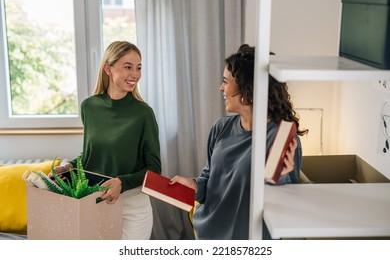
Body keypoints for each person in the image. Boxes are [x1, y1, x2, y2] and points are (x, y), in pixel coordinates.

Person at [170, 44, 308, 240]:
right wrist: (193, 185)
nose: (221, 87)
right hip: (209, 235)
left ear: (247, 89)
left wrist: (283, 179)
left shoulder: (281, 136)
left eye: (226, 82)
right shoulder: (221, 128)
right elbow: (210, 180)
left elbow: (285, 205)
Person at [52, 41, 161, 240]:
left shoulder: (143, 113)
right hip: (96, 200)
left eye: (138, 68)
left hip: (133, 205)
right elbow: (91, 153)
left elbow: (154, 168)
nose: (135, 74)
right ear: (108, 68)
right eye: (128, 67)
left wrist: (122, 182)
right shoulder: (89, 107)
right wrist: (69, 166)